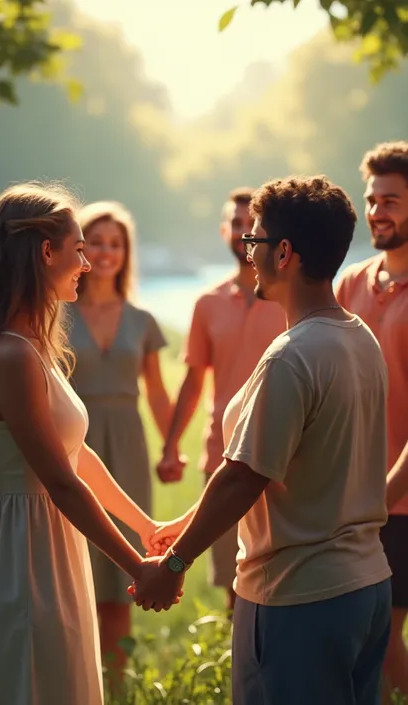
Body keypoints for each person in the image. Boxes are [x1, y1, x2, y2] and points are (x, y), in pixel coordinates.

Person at [134, 176, 392, 705]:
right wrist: (184, 523)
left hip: (300, 598)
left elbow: (243, 476)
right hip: (366, 588)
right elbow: (292, 465)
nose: (247, 253)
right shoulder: (357, 335)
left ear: (284, 253)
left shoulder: (291, 357)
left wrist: (175, 565)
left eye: (254, 241)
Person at [0, 183, 170, 705]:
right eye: (79, 248)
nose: (86, 262)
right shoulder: (11, 355)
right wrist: (139, 569)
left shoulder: (32, 346)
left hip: (51, 545)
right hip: (26, 554)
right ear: (46, 253)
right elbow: (59, 481)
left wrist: (147, 528)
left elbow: (76, 456)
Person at [157, 187, 285, 612]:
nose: (243, 232)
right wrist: (172, 444)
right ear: (223, 230)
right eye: (235, 223)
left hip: (284, 462)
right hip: (222, 460)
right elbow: (194, 381)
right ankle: (239, 678)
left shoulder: (289, 299)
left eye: (252, 225)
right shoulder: (207, 303)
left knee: (283, 583)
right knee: (236, 592)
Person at [67, 200, 180, 674]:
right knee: (76, 567)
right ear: (80, 249)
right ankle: (75, 677)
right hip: (74, 443)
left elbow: (156, 393)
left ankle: (116, 683)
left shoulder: (142, 319)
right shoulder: (57, 314)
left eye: (116, 243)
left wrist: (171, 447)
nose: (106, 252)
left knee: (123, 568)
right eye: (96, 241)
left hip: (128, 445)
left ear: (125, 252)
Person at [336, 141, 408, 699]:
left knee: (380, 639)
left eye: (392, 200)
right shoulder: (348, 284)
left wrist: (382, 496)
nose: (379, 211)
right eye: (372, 199)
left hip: (396, 503)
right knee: (366, 639)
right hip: (353, 498)